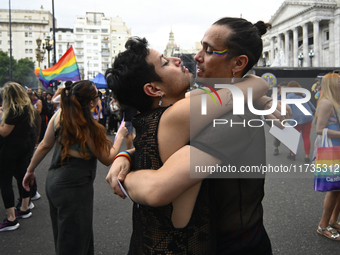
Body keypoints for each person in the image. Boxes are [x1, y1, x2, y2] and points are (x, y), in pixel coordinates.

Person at [106, 17, 282, 254]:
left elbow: (158, 186)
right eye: (201, 47)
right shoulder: (197, 108)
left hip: (234, 243)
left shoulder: (231, 117)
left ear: (238, 62)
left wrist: (126, 169)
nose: (196, 56)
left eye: (208, 51)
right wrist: (126, 155)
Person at [22, 80, 128, 254]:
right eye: (97, 96)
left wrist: (30, 170)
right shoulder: (88, 127)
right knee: (76, 239)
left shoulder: (60, 115)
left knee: (63, 234)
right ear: (91, 103)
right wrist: (120, 136)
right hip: (74, 188)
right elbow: (107, 158)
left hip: (54, 182)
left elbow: (44, 145)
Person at [0, 82, 35, 231]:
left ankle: (11, 218)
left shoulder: (13, 110)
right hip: (24, 146)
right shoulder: (26, 108)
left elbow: (4, 132)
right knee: (23, 177)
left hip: (11, 149)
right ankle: (25, 208)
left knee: (5, 182)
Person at [314, 72, 340, 241]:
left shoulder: (335, 102)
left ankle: (333, 220)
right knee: (334, 189)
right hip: (332, 151)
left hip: (337, 148)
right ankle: (323, 226)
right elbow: (319, 130)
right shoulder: (326, 103)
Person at [286, 80, 315, 162]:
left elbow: (288, 108)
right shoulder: (303, 94)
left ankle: (292, 154)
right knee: (306, 137)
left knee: (294, 137)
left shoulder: (289, 96)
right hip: (308, 117)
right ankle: (307, 157)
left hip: (296, 118)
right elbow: (311, 106)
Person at [272, 81, 288, 156]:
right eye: (282, 88)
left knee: (290, 134)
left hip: (288, 117)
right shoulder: (275, 95)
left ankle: (292, 152)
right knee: (277, 134)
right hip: (278, 117)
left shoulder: (289, 96)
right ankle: (276, 148)